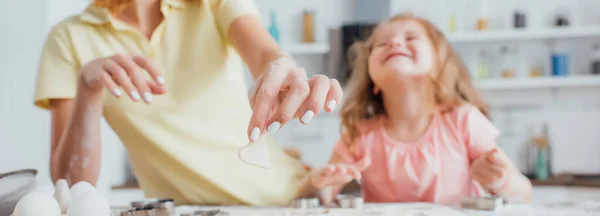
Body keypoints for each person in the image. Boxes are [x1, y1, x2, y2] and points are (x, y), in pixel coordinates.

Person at [33, 0, 342, 206]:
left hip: (291, 196)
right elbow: (71, 184)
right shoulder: (68, 39)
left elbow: (263, 54)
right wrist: (88, 90)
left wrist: (282, 65)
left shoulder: (211, 4)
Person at [300, 13, 532, 204]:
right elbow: (321, 195)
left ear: (437, 65)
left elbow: (524, 193)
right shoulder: (359, 134)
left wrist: (501, 180)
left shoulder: (464, 121)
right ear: (374, 81)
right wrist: (318, 184)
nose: (394, 43)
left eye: (411, 38)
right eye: (381, 43)